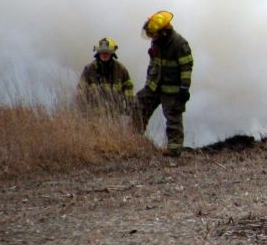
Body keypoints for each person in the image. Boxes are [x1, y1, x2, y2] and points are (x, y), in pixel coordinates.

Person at [134, 10, 193, 157]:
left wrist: (184, 88)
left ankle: (174, 149)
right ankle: (132, 140)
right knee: (139, 107)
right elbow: (154, 63)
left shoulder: (179, 43)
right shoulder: (157, 40)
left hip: (171, 89)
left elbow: (186, 67)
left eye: (153, 34)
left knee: (173, 118)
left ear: (164, 32)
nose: (151, 37)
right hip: (154, 86)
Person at [77, 37, 135, 117]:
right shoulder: (89, 70)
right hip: (93, 116)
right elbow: (80, 89)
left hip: (115, 116)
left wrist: (129, 105)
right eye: (102, 52)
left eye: (107, 52)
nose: (104, 54)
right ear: (98, 53)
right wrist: (83, 110)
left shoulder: (121, 70)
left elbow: (129, 88)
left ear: (112, 53)